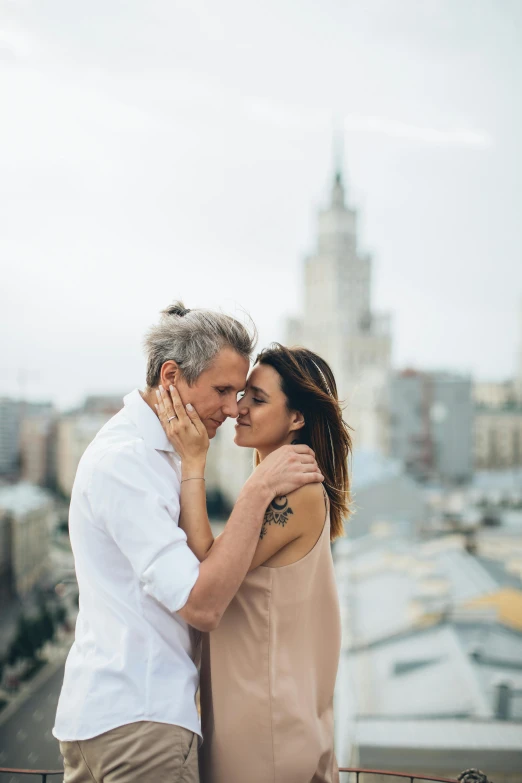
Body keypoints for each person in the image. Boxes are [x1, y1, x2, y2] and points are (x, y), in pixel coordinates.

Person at [54, 305, 323, 783]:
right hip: (139, 722)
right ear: (171, 376)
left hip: (133, 717)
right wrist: (259, 490)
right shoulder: (129, 463)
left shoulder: (162, 458)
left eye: (241, 394)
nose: (231, 408)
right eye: (222, 390)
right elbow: (202, 604)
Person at [156, 342, 352, 783]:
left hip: (266, 730)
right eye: (243, 394)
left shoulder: (295, 493)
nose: (238, 408)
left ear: (297, 418)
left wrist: (192, 460)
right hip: (256, 716)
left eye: (257, 399)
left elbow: (206, 563)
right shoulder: (271, 487)